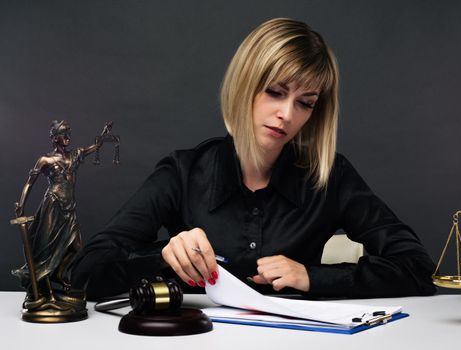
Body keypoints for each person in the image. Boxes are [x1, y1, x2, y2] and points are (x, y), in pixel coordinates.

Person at [72, 18, 436, 299]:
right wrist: (164, 259)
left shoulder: (330, 175)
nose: (286, 114)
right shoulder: (183, 172)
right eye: (275, 92)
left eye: (305, 103)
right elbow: (85, 273)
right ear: (245, 84)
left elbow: (418, 269)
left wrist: (312, 277)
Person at [13, 120, 111, 308]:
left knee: (76, 246)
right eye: (63, 134)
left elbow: (95, 146)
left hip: (69, 207)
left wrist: (103, 134)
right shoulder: (45, 160)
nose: (67, 137)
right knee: (46, 248)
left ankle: (59, 273)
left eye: (68, 134)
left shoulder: (74, 155)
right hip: (53, 205)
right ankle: (41, 289)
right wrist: (21, 203)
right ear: (54, 138)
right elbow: (29, 183)